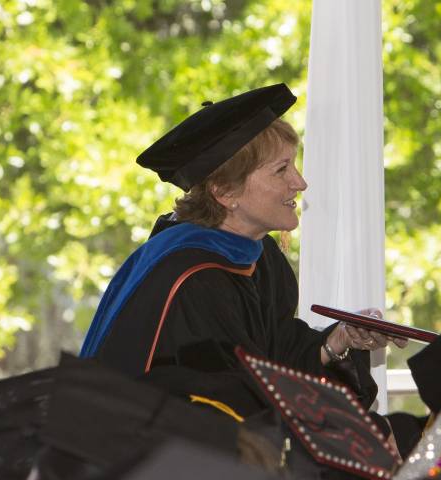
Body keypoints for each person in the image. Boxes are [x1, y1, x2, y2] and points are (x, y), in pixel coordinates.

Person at [79, 83, 404, 407]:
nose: (300, 183)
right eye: (282, 170)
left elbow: (273, 355)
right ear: (225, 192)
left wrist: (340, 338)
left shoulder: (258, 253)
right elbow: (232, 400)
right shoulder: (194, 279)